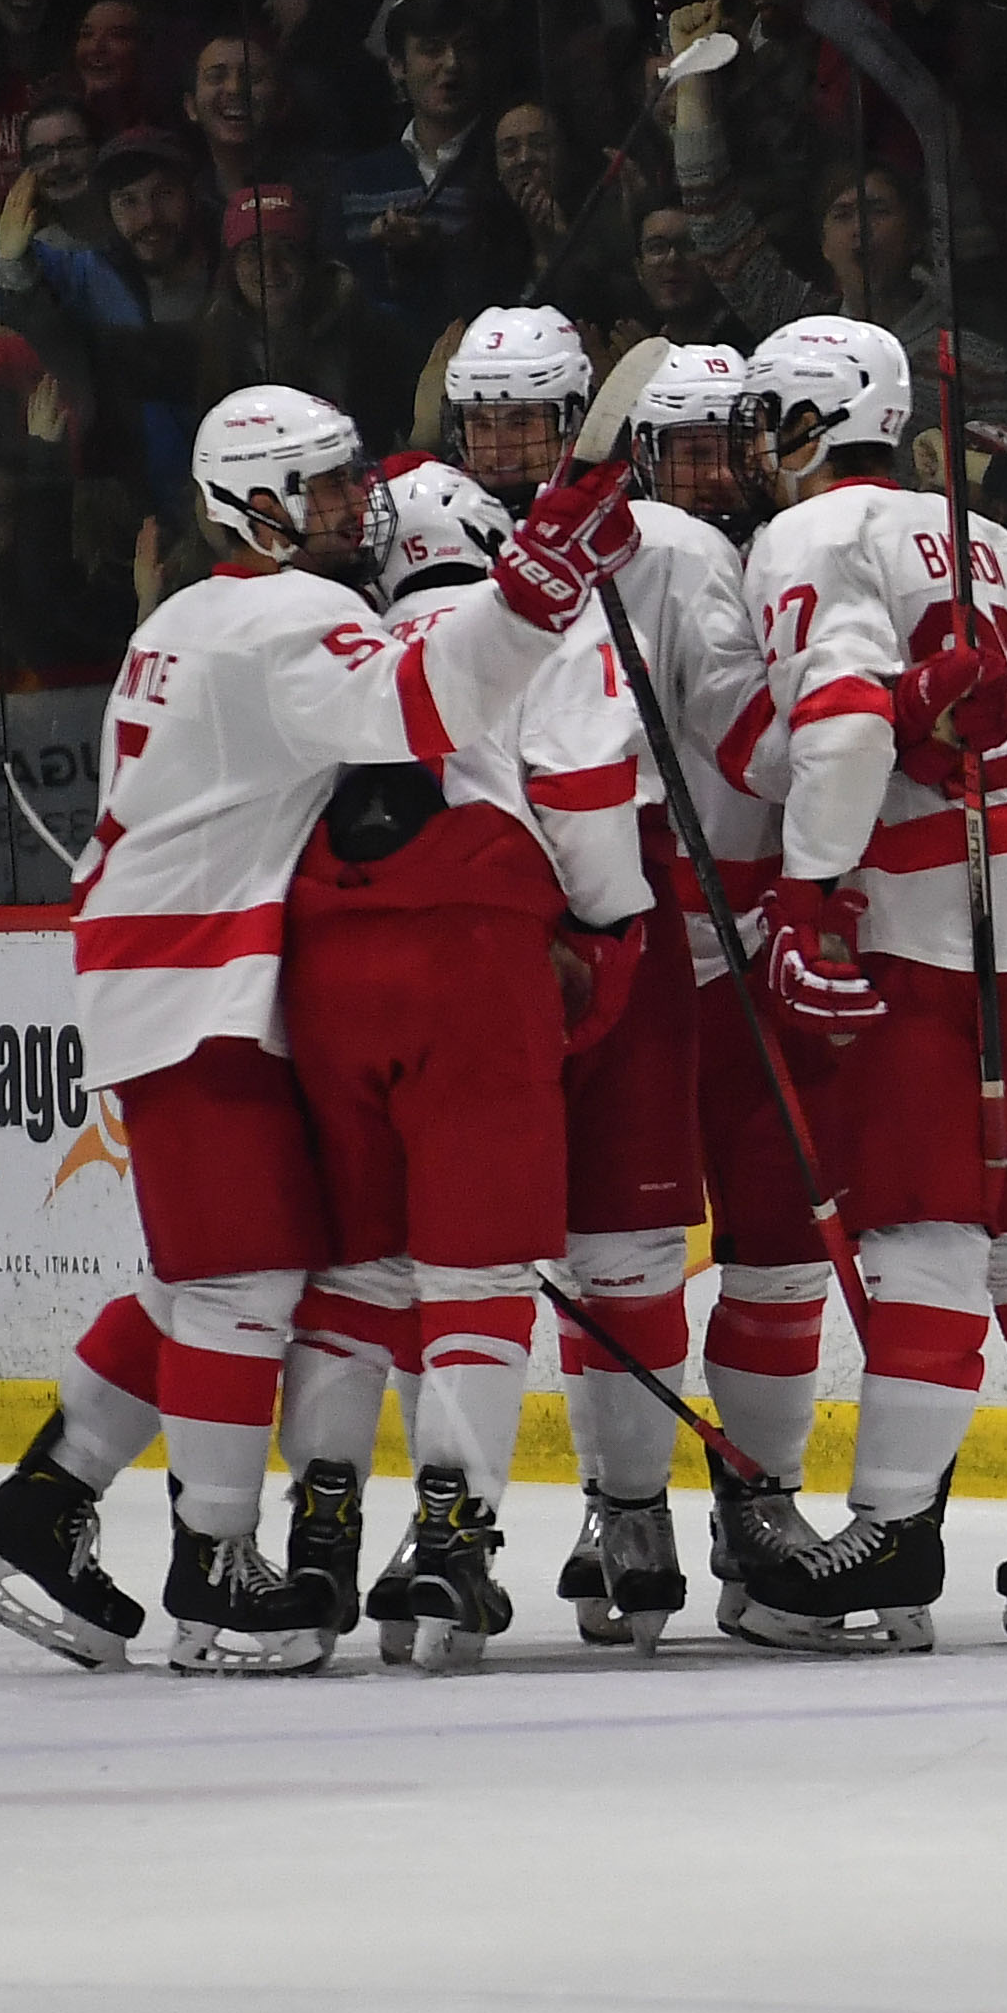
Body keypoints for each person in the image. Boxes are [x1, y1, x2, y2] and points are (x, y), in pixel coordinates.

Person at [0, 384, 620, 1675]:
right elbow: (431, 708)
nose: (355, 503)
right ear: (254, 505)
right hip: (199, 980)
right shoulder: (290, 612)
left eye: (354, 477)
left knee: (212, 1274)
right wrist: (532, 582)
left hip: (180, 969)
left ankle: (42, 1506)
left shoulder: (193, 612)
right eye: (324, 488)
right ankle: (213, 1576)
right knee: (242, 1285)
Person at [726, 314, 1007, 1650]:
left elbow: (851, 725)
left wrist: (804, 895)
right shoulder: (992, 537)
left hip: (934, 902)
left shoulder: (805, 537)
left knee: (923, 1226)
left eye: (765, 422)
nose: (755, 451)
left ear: (805, 424)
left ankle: (895, 1535)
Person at [441, 320, 802, 1638]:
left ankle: (756, 1510)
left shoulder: (679, 553)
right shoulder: (436, 554)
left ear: (583, 419)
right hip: (541, 941)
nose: (503, 451)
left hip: (704, 941)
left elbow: (752, 751)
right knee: (615, 1244)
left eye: (528, 423)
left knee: (766, 1247)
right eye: (482, 423)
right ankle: (625, 1512)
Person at [268, 463, 643, 1673]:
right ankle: (449, 1532)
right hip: (474, 943)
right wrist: (610, 933)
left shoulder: (332, 635)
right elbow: (585, 797)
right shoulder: (531, 632)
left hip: (323, 954)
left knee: (358, 1264)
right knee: (475, 1270)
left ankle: (319, 1532)